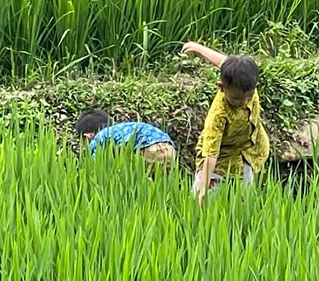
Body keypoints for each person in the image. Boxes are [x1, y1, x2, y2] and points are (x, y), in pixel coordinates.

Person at [181, 41, 270, 205]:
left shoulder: (245, 84)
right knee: (203, 204)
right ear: (221, 87)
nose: (245, 101)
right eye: (237, 98)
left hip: (248, 153)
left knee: (243, 203)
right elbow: (211, 152)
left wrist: (200, 49)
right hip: (218, 162)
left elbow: (225, 62)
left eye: (249, 96)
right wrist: (202, 189)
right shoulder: (218, 114)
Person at [75, 109, 176, 166]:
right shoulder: (119, 129)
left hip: (148, 149)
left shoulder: (99, 138)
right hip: (168, 147)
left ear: (87, 136)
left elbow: (94, 165)